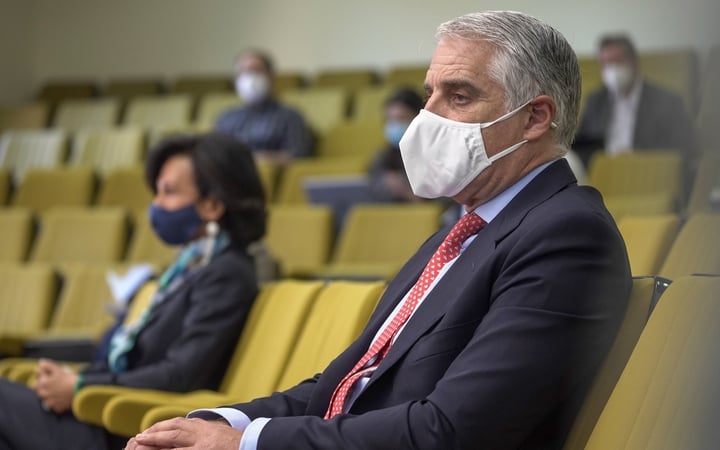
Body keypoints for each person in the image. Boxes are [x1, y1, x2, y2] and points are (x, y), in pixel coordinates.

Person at [125, 11, 633, 450]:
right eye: (429, 93)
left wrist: (248, 443)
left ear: (534, 118)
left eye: (458, 96)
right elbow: (346, 383)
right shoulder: (458, 233)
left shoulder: (565, 235)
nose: (425, 117)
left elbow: (451, 430)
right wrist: (221, 422)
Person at [0, 132, 268, 450]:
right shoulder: (191, 267)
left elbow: (181, 374)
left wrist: (78, 388)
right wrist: (77, 376)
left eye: (169, 192)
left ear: (212, 206)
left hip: (125, 424)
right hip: (104, 409)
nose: (157, 204)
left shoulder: (227, 273)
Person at [572, 34, 698, 172]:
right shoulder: (595, 101)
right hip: (605, 174)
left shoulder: (667, 101)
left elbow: (685, 147)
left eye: (618, 61)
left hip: (646, 173)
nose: (612, 70)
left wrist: (637, 156)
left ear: (635, 62)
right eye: (606, 64)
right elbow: (582, 148)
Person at [214, 49, 314, 166]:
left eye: (256, 71)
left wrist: (258, 159)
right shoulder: (227, 117)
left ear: (271, 76)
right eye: (243, 72)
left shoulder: (289, 116)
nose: (249, 77)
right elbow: (215, 155)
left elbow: (299, 155)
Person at [367, 87, 426, 202]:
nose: (395, 125)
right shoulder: (382, 157)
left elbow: (447, 210)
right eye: (390, 119)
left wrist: (407, 193)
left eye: (401, 118)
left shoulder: (436, 156)